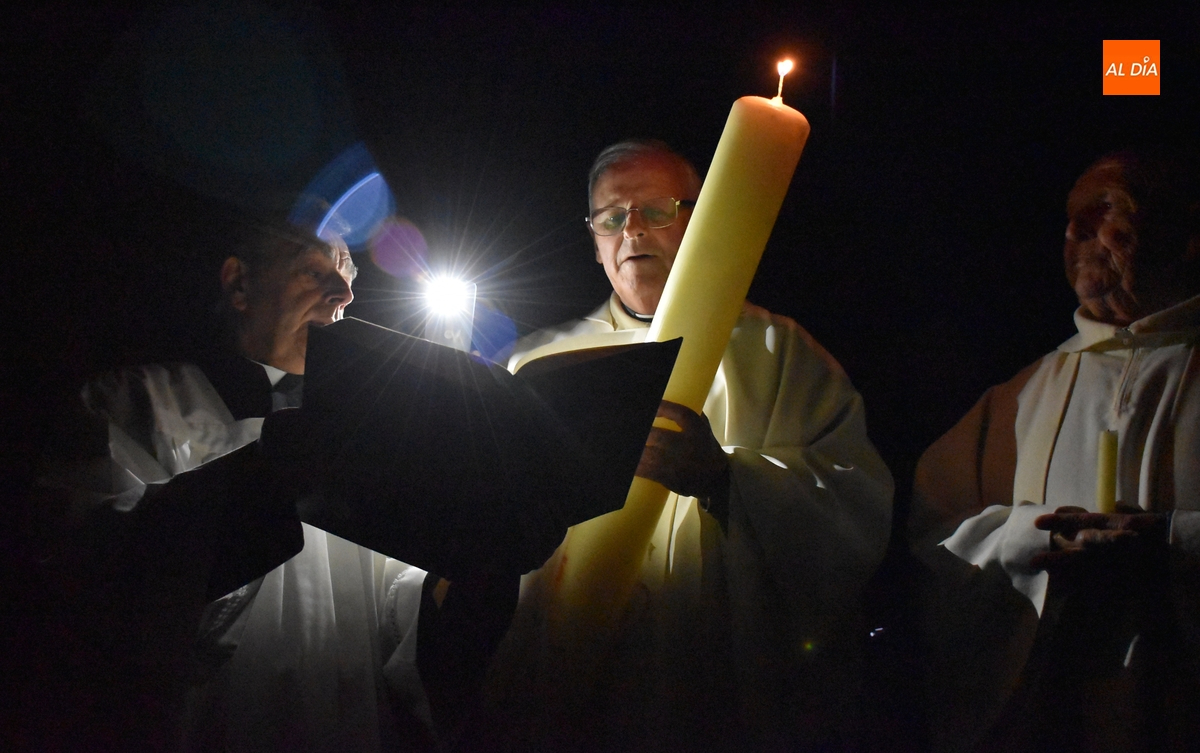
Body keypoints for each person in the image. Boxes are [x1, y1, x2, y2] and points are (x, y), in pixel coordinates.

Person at [479, 140, 894, 751]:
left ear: (701, 221)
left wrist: (727, 480)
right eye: (611, 217)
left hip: (720, 690)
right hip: (573, 684)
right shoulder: (531, 362)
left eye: (657, 209)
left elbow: (854, 508)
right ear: (593, 241)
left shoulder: (777, 351)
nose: (632, 230)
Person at [28, 226, 509, 752]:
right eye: (315, 271)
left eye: (348, 278)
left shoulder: (366, 443)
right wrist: (271, 471)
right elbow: (90, 575)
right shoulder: (133, 402)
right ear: (240, 285)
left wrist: (470, 565)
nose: (345, 294)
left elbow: (397, 609)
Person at [909, 150, 1200, 753]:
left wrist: (1171, 545)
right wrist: (1035, 541)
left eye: (1105, 208)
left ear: (1185, 231)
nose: (1075, 231)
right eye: (1071, 218)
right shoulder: (1017, 398)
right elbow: (936, 537)